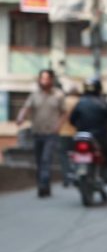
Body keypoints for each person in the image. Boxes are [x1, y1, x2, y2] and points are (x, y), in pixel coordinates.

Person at [16, 69, 65, 197]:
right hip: (37, 132)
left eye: (47, 78)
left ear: (51, 80)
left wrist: (58, 126)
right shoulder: (34, 95)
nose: (44, 81)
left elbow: (64, 113)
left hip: (51, 133)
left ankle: (43, 186)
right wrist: (20, 117)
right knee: (39, 161)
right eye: (42, 78)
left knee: (46, 159)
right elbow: (26, 108)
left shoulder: (58, 95)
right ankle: (43, 185)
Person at [69, 78, 107, 183]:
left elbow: (72, 120)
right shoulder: (104, 103)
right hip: (100, 137)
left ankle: (72, 171)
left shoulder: (80, 103)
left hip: (82, 136)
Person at [58, 85, 80, 187]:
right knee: (78, 155)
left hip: (64, 132)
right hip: (78, 133)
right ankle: (77, 175)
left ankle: (67, 176)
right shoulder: (81, 101)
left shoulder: (64, 101)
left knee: (64, 155)